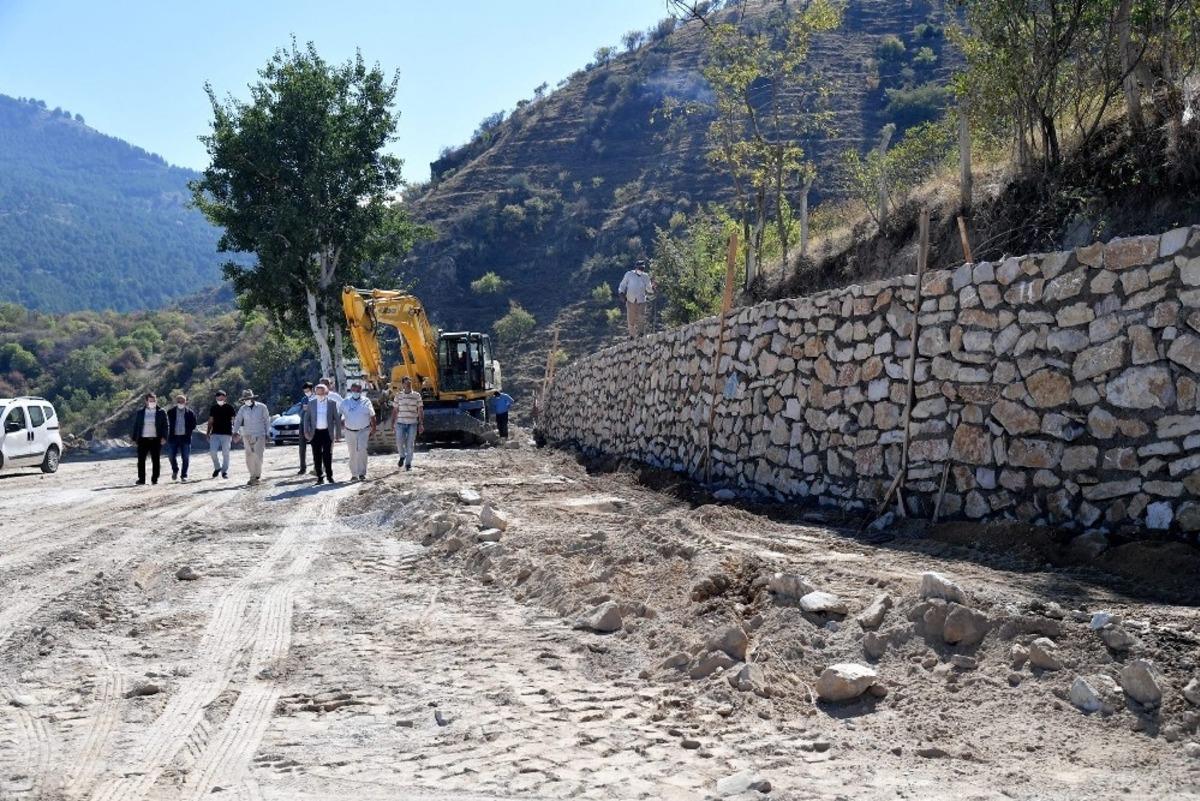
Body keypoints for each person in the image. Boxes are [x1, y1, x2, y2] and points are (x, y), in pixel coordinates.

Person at [303, 382, 342, 484]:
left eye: (321, 393)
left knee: (327, 455)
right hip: (315, 433)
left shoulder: (332, 403)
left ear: (326, 393)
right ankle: (320, 477)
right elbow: (306, 419)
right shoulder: (311, 403)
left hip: (327, 433)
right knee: (316, 456)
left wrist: (338, 434)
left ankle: (329, 476)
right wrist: (306, 432)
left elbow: (337, 419)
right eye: (317, 393)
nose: (319, 395)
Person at [232, 389, 271, 485]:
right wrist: (235, 432)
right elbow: (238, 420)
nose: (247, 400)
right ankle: (252, 476)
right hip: (247, 434)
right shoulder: (243, 409)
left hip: (260, 434)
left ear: (252, 398)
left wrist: (268, 433)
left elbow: (266, 420)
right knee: (249, 456)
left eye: (248, 398)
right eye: (245, 399)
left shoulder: (262, 407)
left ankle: (257, 475)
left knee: (258, 455)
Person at [341, 381, 377, 482]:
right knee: (352, 452)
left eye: (358, 390)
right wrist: (341, 423)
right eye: (354, 390)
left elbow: (372, 415)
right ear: (351, 390)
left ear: (361, 391)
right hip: (349, 431)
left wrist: (374, 428)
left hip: (363, 430)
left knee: (362, 450)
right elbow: (341, 415)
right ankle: (354, 474)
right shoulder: (345, 402)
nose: (355, 392)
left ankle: (362, 473)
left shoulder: (366, 401)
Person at [131, 392, 168, 485]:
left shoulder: (161, 412)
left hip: (156, 439)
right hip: (143, 439)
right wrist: (134, 439)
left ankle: (154, 479)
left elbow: (165, 426)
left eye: (154, 400)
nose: (153, 402)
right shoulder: (140, 412)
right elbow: (136, 426)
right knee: (141, 460)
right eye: (151, 401)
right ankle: (141, 479)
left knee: (155, 460)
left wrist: (164, 437)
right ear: (146, 401)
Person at [389, 376, 423, 471]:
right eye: (406, 383)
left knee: (410, 444)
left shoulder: (417, 395)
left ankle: (408, 464)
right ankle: (402, 456)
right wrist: (392, 423)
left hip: (412, 423)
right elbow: (395, 410)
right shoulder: (398, 396)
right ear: (403, 384)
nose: (408, 385)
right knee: (399, 442)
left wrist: (421, 424)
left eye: (409, 383)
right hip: (400, 423)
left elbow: (420, 410)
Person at [618, 258, 654, 338]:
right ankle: (632, 335)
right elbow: (622, 285)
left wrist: (653, 288)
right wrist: (621, 293)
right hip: (631, 300)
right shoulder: (629, 274)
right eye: (640, 268)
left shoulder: (646, 276)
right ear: (636, 268)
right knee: (631, 319)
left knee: (641, 316)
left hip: (641, 300)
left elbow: (649, 288)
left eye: (642, 268)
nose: (641, 269)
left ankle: (641, 333)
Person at [165, 393, 197, 482]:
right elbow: (166, 424)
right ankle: (175, 470)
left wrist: (188, 431)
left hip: (185, 438)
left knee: (185, 458)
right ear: (176, 402)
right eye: (179, 401)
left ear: (186, 402)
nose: (180, 403)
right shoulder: (170, 412)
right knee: (171, 456)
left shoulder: (190, 413)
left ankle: (184, 475)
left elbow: (194, 425)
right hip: (173, 437)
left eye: (182, 401)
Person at [206, 390, 235, 479]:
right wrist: (208, 433)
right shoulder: (213, 408)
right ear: (216, 398)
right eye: (218, 398)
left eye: (221, 398)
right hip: (215, 433)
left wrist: (235, 432)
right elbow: (210, 421)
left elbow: (234, 421)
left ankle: (224, 471)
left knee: (225, 453)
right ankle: (217, 467)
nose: (220, 399)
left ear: (225, 397)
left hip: (226, 434)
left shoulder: (230, 407)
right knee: (212, 452)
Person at [297, 382, 315, 475]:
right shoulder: (303, 399)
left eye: (307, 391)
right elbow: (299, 413)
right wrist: (303, 410)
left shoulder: (317, 398)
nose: (306, 393)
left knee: (315, 446)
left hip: (313, 425)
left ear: (312, 390)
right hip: (303, 424)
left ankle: (316, 466)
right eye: (304, 391)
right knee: (302, 447)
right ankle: (302, 468)